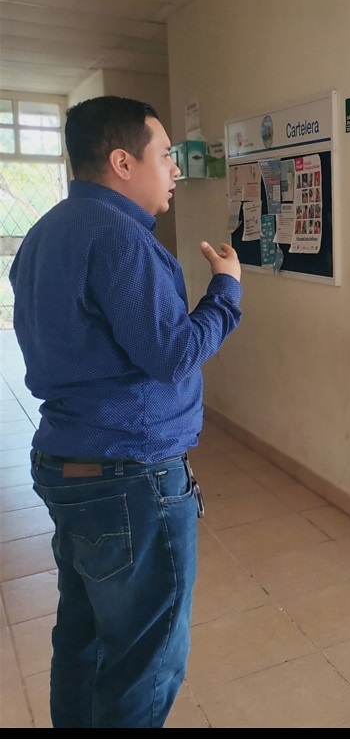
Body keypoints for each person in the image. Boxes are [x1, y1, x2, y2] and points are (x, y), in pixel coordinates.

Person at [9, 96, 243, 727]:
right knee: (144, 658)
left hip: (70, 462)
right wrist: (226, 288)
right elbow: (174, 354)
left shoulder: (44, 232)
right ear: (121, 161)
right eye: (165, 155)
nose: (175, 170)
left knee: (83, 639)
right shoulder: (120, 238)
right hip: (129, 476)